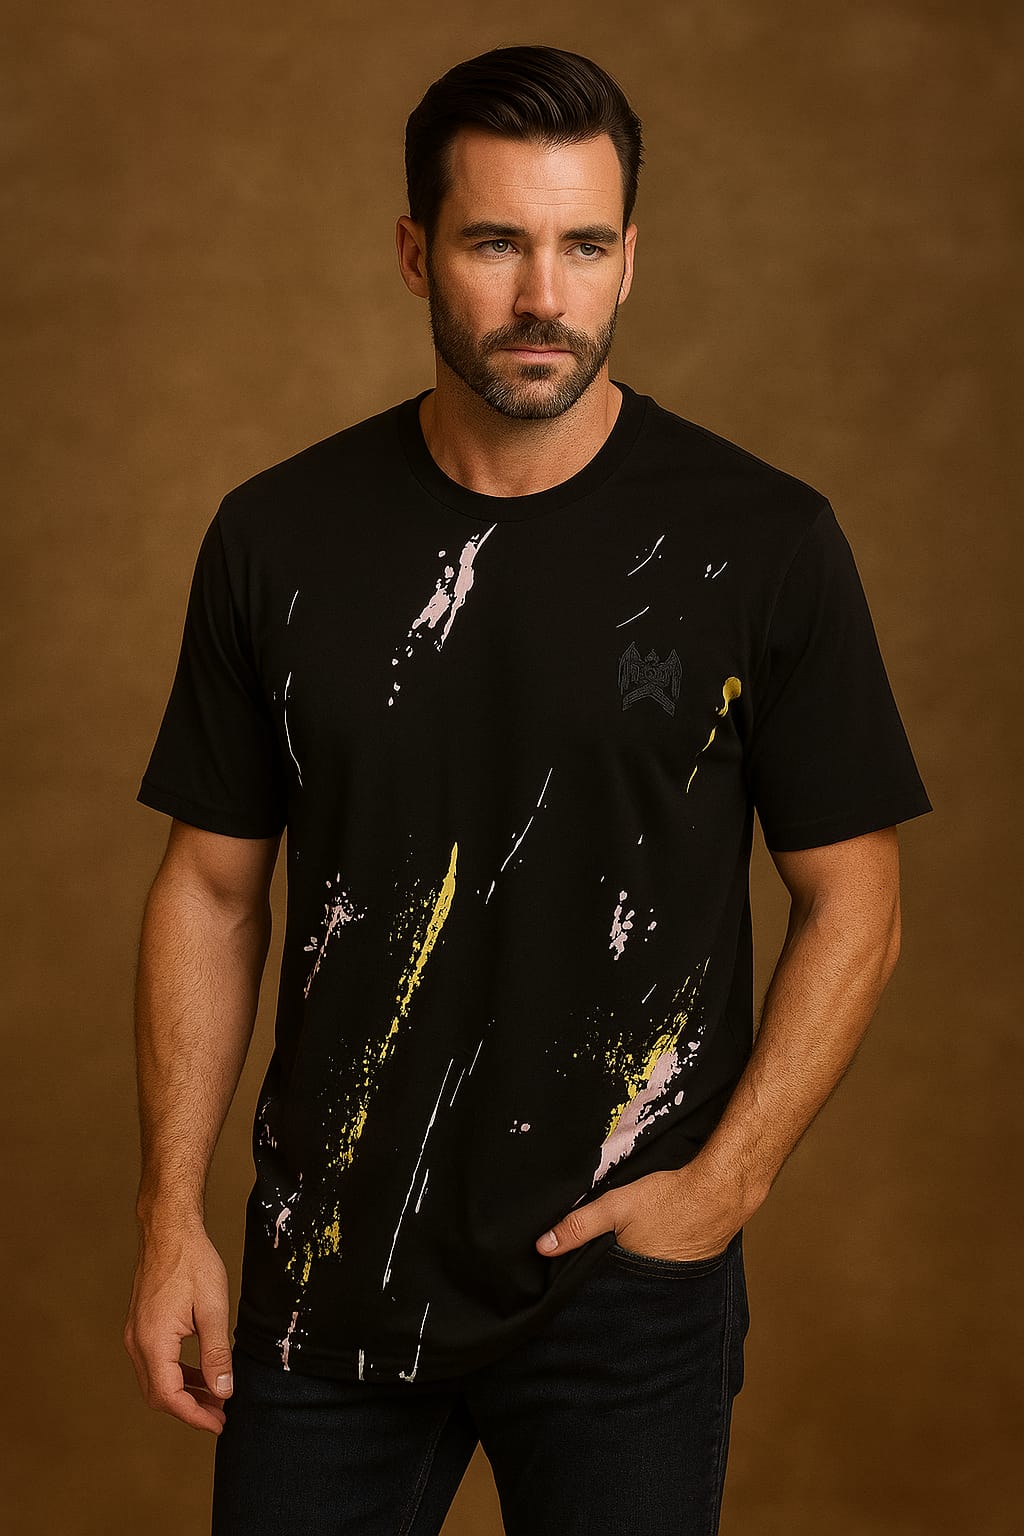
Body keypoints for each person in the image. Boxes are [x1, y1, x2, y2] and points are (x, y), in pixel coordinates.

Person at [123, 42, 932, 1536]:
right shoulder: (277, 538)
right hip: (328, 1278)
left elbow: (857, 901)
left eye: (586, 245)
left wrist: (727, 1184)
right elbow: (213, 889)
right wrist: (172, 1215)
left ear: (631, 259)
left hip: (621, 1283)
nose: (544, 295)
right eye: (496, 242)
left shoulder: (763, 542)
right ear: (415, 252)